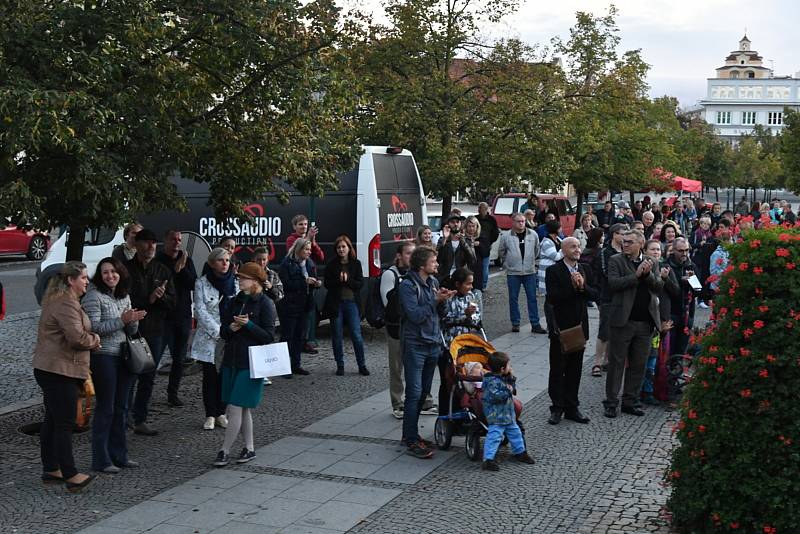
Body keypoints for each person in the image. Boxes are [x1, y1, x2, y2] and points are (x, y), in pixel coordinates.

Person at [33, 261, 101, 492]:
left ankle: (51, 468)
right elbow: (77, 339)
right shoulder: (65, 304)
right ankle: (70, 474)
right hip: (58, 370)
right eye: (83, 277)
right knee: (64, 423)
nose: (86, 281)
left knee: (53, 420)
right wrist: (95, 340)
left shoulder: (62, 301)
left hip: (53, 368)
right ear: (71, 280)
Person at [82, 258, 145, 473]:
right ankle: (101, 459)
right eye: (106, 272)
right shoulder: (93, 296)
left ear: (121, 273)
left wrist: (133, 320)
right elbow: (94, 328)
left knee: (122, 408)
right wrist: (123, 320)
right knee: (106, 408)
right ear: (100, 275)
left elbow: (129, 330)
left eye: (113, 272)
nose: (110, 276)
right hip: (104, 356)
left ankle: (120, 455)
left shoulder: (123, 295)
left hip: (124, 356)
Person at [213, 263, 275, 467]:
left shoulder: (265, 303)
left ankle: (224, 450)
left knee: (235, 407)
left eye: (243, 278)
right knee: (243, 408)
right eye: (239, 277)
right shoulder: (235, 301)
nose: (239, 280)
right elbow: (223, 331)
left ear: (255, 282)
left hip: (252, 363)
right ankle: (249, 448)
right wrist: (230, 328)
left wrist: (248, 325)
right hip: (232, 360)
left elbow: (268, 336)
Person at [399, 247, 454, 459]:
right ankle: (411, 438)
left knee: (423, 393)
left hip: (432, 343)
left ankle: (410, 433)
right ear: (422, 265)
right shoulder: (408, 286)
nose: (437, 265)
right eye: (433, 262)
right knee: (414, 392)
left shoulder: (433, 282)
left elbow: (440, 314)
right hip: (415, 345)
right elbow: (415, 315)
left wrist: (444, 300)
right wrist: (435, 301)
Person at [603, 229, 662, 418]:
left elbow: (659, 286)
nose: (624, 244)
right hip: (623, 321)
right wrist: (636, 276)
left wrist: (647, 275)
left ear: (640, 244)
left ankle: (631, 400)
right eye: (624, 241)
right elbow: (613, 284)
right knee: (616, 364)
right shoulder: (616, 260)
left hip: (645, 322)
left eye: (629, 242)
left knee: (639, 364)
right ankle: (611, 402)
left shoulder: (651, 262)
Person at [126, 229, 176, 436]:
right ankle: (124, 415)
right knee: (129, 375)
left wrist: (161, 298)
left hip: (155, 330)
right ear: (137, 245)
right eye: (147, 243)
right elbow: (124, 301)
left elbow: (174, 302)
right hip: (131, 331)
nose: (151, 247)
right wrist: (150, 299)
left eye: (154, 243)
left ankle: (141, 419)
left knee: (148, 376)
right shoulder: (126, 270)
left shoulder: (162, 271)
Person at [545, 237, 597, 425]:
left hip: (579, 327)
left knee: (575, 369)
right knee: (558, 369)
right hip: (561, 327)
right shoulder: (554, 270)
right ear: (563, 250)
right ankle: (556, 407)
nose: (577, 249)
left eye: (578, 246)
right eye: (573, 246)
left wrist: (582, 286)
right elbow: (553, 298)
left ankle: (572, 407)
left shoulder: (585, 269)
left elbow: (594, 294)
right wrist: (572, 286)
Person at [191, 248, 238, 430]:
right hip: (209, 337)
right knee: (210, 377)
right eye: (220, 260)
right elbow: (200, 310)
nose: (225, 263)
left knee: (225, 376)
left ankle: (221, 412)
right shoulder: (201, 283)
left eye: (227, 260)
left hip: (230, 335)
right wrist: (218, 331)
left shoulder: (235, 282)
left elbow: (238, 306)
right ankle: (210, 413)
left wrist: (229, 330)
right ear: (212, 263)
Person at [154, 230, 197, 407]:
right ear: (165, 241)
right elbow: (158, 282)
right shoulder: (158, 260)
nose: (177, 243)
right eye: (173, 239)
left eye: (179, 240)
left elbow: (193, 283)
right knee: (154, 358)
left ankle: (173, 393)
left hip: (183, 315)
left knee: (179, 359)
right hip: (163, 317)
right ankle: (145, 393)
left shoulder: (187, 260)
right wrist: (175, 269)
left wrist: (181, 269)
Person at [480, 352, 535, 471]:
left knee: (516, 434)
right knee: (494, 437)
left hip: (508, 416)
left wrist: (511, 380)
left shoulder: (504, 378)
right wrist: (508, 390)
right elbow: (495, 396)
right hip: (496, 417)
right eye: (509, 366)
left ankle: (520, 452)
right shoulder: (491, 382)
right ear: (502, 369)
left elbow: (511, 387)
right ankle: (488, 459)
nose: (511, 368)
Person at [324, 234, 368, 376]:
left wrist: (347, 280)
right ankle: (340, 364)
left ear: (349, 248)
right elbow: (327, 284)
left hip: (352, 303)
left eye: (343, 247)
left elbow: (359, 284)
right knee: (337, 335)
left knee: (356, 334)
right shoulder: (331, 264)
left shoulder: (356, 264)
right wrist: (339, 280)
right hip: (337, 304)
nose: (341, 250)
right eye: (338, 247)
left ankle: (361, 364)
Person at [439, 268, 482, 414]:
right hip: (449, 345)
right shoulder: (448, 298)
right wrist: (463, 315)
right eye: (467, 284)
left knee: (465, 379)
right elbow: (444, 318)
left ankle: (467, 411)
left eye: (471, 284)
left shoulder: (471, 296)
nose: (470, 287)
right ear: (457, 284)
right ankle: (447, 413)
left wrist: (471, 316)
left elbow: (477, 318)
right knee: (449, 382)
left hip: (466, 345)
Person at [497, 213, 547, 334]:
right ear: (513, 222)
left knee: (532, 298)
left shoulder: (533, 234)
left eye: (523, 221)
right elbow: (502, 252)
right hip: (513, 272)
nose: (521, 223)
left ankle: (535, 323)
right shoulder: (506, 236)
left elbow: (536, 251)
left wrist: (531, 262)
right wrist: (508, 263)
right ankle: (515, 323)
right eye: (519, 221)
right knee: (513, 298)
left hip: (529, 271)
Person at [641, 240, 678, 405]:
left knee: (657, 360)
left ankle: (652, 391)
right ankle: (639, 391)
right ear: (645, 250)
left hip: (662, 320)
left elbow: (676, 292)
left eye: (658, 249)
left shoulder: (666, 267)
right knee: (641, 359)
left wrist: (665, 278)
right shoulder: (641, 266)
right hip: (644, 320)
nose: (656, 252)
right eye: (653, 249)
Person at [278, 238, 320, 376]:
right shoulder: (287, 264)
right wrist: (304, 282)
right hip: (290, 304)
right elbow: (286, 285)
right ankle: (283, 366)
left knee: (300, 336)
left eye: (309, 250)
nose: (309, 252)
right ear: (298, 249)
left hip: (305, 304)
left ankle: (296, 364)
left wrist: (316, 283)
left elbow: (313, 278)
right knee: (287, 336)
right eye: (306, 249)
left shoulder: (309, 263)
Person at [590, 223, 627, 377]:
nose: (625, 237)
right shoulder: (605, 252)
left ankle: (607, 360)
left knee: (617, 330)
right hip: (608, 296)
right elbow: (605, 274)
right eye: (622, 233)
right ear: (614, 235)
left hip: (623, 296)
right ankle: (597, 363)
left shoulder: (627, 252)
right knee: (604, 331)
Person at [286, 214, 324, 355]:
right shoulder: (292, 239)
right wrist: (308, 238)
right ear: (294, 226)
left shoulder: (309, 240)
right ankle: (295, 347)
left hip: (309, 286)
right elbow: (295, 252)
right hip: (297, 286)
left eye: (305, 224)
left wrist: (312, 242)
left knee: (308, 316)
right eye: (300, 224)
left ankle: (304, 341)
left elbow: (320, 257)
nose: (303, 227)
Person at [666, 237, 699, 356]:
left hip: (687, 313)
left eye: (686, 250)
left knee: (681, 349)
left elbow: (698, 291)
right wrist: (680, 281)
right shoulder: (666, 266)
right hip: (671, 312)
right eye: (681, 251)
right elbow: (666, 290)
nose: (684, 253)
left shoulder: (692, 266)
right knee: (669, 348)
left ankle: (677, 369)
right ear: (673, 250)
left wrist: (692, 281)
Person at [436, 213, 476, 288]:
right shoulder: (442, 240)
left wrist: (463, 243)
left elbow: (472, 260)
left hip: (460, 277)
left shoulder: (466, 240)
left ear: (461, 224)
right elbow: (437, 258)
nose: (456, 224)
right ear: (448, 224)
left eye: (457, 222)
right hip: (445, 278)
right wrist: (445, 239)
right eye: (453, 222)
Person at [476, 202, 500, 290]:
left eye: (481, 209)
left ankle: (483, 284)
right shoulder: (475, 218)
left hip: (486, 245)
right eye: (479, 209)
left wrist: (490, 242)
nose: (479, 211)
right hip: (475, 244)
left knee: (485, 266)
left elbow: (495, 233)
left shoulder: (491, 220)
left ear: (486, 210)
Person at [462, 215, 487, 294]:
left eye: (473, 226)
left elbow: (486, 253)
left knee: (477, 292)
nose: (471, 228)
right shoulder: (462, 238)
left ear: (477, 227)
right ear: (466, 227)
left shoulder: (481, 237)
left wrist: (479, 245)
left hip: (477, 269)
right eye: (469, 226)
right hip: (466, 267)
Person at [538, 219, 562, 297]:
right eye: (560, 227)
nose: (561, 229)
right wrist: (564, 250)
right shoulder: (547, 242)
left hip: (556, 271)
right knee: (549, 296)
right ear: (556, 229)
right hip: (548, 270)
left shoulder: (558, 239)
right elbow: (556, 257)